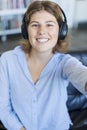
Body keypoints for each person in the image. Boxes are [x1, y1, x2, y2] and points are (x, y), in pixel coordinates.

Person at [0, 1, 87, 130]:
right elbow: (3, 107)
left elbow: (80, 73)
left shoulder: (65, 63)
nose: (42, 31)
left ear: (61, 30)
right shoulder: (7, 60)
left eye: (49, 25)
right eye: (35, 25)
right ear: (25, 30)